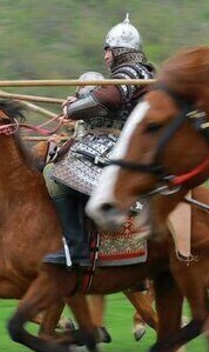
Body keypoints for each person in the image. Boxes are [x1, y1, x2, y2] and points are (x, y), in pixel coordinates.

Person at [43, 14, 155, 267]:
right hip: (119, 140)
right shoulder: (136, 73)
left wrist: (73, 109)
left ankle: (77, 247)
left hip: (121, 143)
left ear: (121, 50)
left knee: (53, 172)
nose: (106, 55)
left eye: (109, 49)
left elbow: (109, 100)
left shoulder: (132, 72)